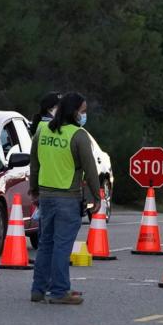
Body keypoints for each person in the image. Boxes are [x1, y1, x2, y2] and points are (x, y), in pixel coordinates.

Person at [29, 92, 100, 305]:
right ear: (73, 111)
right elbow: (90, 169)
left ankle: (38, 289)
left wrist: (34, 190)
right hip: (67, 197)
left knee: (45, 244)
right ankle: (60, 291)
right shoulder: (78, 135)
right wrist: (97, 196)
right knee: (61, 246)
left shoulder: (42, 131)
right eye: (83, 111)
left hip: (46, 196)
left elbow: (35, 163)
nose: (84, 115)